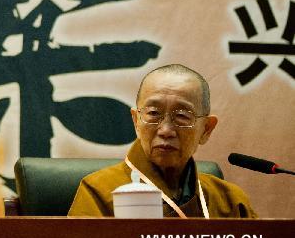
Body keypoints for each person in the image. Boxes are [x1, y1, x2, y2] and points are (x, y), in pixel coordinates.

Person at [68, 64, 256, 218]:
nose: (166, 130)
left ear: (206, 129)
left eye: (182, 116)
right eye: (153, 114)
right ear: (136, 121)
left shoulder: (231, 201)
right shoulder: (98, 192)